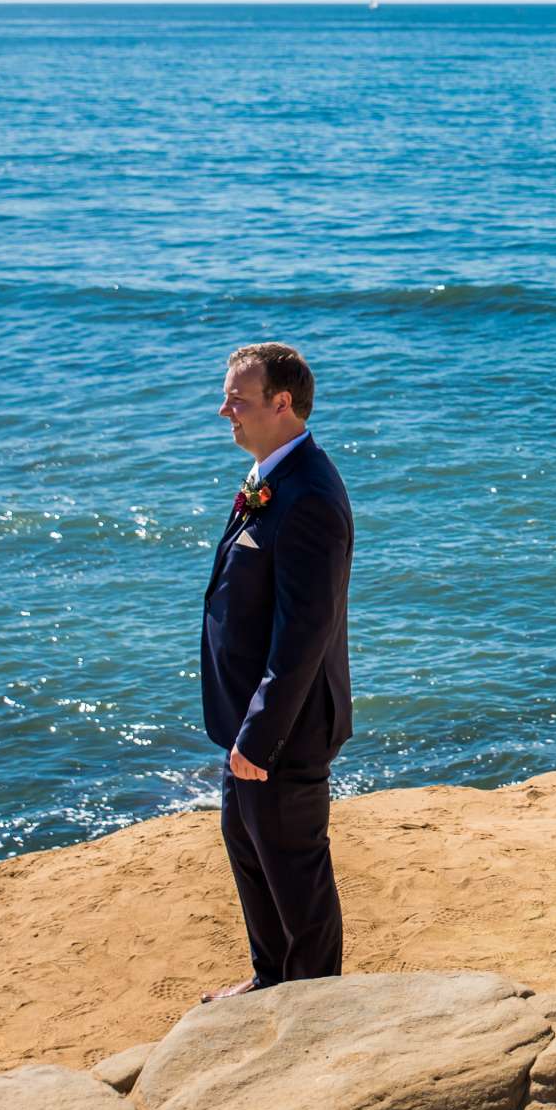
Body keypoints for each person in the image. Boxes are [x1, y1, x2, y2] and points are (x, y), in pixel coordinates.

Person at [198, 341, 355, 1001]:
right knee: (247, 845)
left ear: (281, 403)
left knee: (293, 867)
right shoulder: (271, 477)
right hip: (248, 723)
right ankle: (270, 979)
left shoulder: (310, 494)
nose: (224, 410)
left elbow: (305, 632)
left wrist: (260, 735)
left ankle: (314, 1003)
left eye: (238, 398)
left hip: (282, 730)